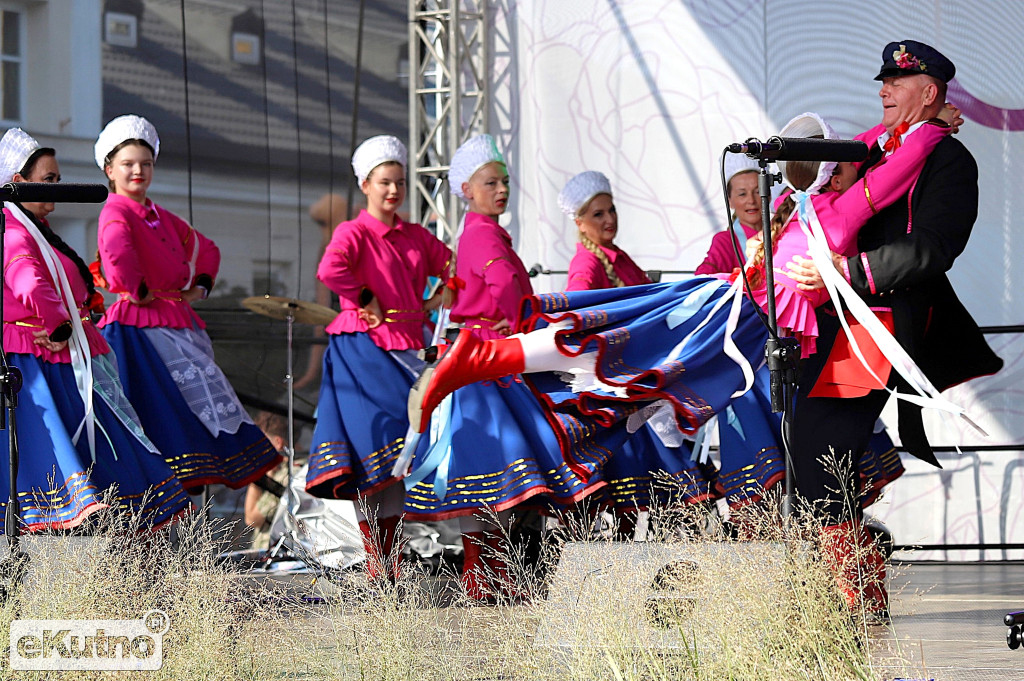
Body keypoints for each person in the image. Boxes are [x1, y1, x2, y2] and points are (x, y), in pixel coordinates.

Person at [782, 41, 1003, 616]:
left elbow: (934, 248)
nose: (882, 90)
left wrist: (849, 270)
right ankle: (847, 592)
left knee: (822, 446)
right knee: (809, 448)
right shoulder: (877, 148)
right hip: (839, 316)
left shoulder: (950, 161)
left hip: (884, 318)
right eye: (882, 81)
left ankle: (855, 599)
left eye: (897, 83)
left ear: (928, 94)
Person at [403, 136, 605, 600]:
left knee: (501, 476)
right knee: (502, 472)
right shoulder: (482, 234)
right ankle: (485, 579)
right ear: (466, 190)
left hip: (494, 357)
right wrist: (522, 325)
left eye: (505, 181)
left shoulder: (483, 234)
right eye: (490, 182)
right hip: (490, 365)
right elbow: (508, 293)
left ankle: (492, 577)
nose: (501, 189)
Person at [0, 128, 191, 532]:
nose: (58, 187)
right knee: (71, 457)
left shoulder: (36, 231)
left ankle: (125, 562)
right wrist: (58, 324)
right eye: (49, 180)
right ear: (18, 182)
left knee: (107, 449)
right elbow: (27, 280)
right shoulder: (15, 232)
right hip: (44, 361)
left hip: (68, 354)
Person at [93, 115, 281, 496]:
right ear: (109, 170)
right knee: (160, 414)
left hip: (174, 319)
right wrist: (138, 288)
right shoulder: (116, 210)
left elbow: (207, 249)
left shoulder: (160, 215)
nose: (138, 171)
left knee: (189, 411)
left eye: (146, 164)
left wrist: (201, 287)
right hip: (138, 327)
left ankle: (180, 524)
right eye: (128, 164)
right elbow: (115, 250)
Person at [305, 135, 451, 583]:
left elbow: (454, 270)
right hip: (363, 351)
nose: (393, 191)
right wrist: (365, 296)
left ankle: (387, 565)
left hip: (407, 346)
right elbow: (330, 270)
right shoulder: (353, 232)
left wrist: (435, 301)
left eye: (400, 183)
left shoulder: (414, 236)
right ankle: (380, 564)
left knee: (400, 459)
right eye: (385, 182)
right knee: (376, 454)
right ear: (366, 184)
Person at [560, 170, 718, 532]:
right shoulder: (586, 264)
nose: (609, 219)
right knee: (658, 465)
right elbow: (578, 312)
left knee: (662, 465)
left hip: (642, 379)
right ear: (581, 223)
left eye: (611, 210)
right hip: (624, 383)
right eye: (598, 214)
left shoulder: (616, 256)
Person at [695, 154, 762, 276]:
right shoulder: (725, 242)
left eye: (758, 192)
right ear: (729, 200)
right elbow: (701, 280)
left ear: (768, 196)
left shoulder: (783, 234)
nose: (751, 200)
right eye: (742, 194)